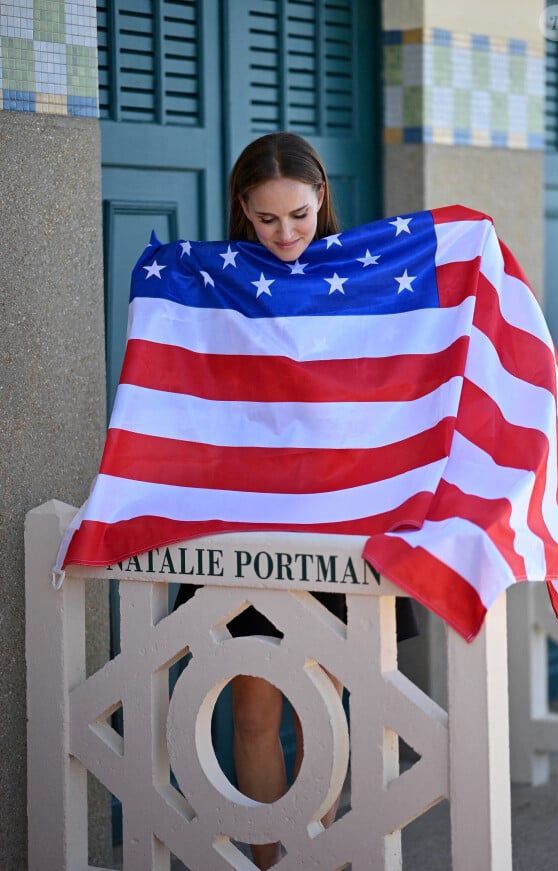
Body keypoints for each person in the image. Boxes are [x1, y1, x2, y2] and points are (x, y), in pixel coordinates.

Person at [176, 131, 418, 870]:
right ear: (242, 209)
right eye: (267, 218)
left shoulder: (365, 279)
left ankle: (325, 859)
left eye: (300, 216)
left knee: (329, 716)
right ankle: (270, 862)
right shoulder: (214, 284)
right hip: (245, 521)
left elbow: (392, 385)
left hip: (341, 520)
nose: (285, 234)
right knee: (254, 714)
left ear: (322, 202)